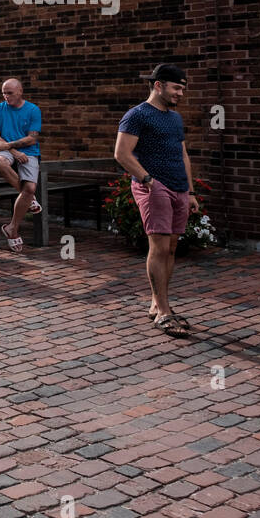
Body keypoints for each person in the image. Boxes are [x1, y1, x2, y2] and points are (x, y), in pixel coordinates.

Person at [114, 64, 199, 337]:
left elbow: (183, 155)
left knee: (171, 249)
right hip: (154, 187)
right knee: (159, 248)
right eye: (176, 88)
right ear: (158, 85)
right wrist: (148, 180)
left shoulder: (175, 118)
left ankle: (157, 304)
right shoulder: (137, 115)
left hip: (179, 188)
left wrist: (191, 191)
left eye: (183, 89)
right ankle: (163, 311)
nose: (180, 93)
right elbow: (122, 153)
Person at [0, 78, 43, 253]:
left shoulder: (33, 110)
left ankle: (12, 228)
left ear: (20, 91)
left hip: (29, 151)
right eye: (4, 93)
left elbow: (32, 138)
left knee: (30, 189)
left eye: (9, 93)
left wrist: (11, 146)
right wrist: (13, 151)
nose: (6, 96)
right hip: (5, 150)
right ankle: (30, 200)